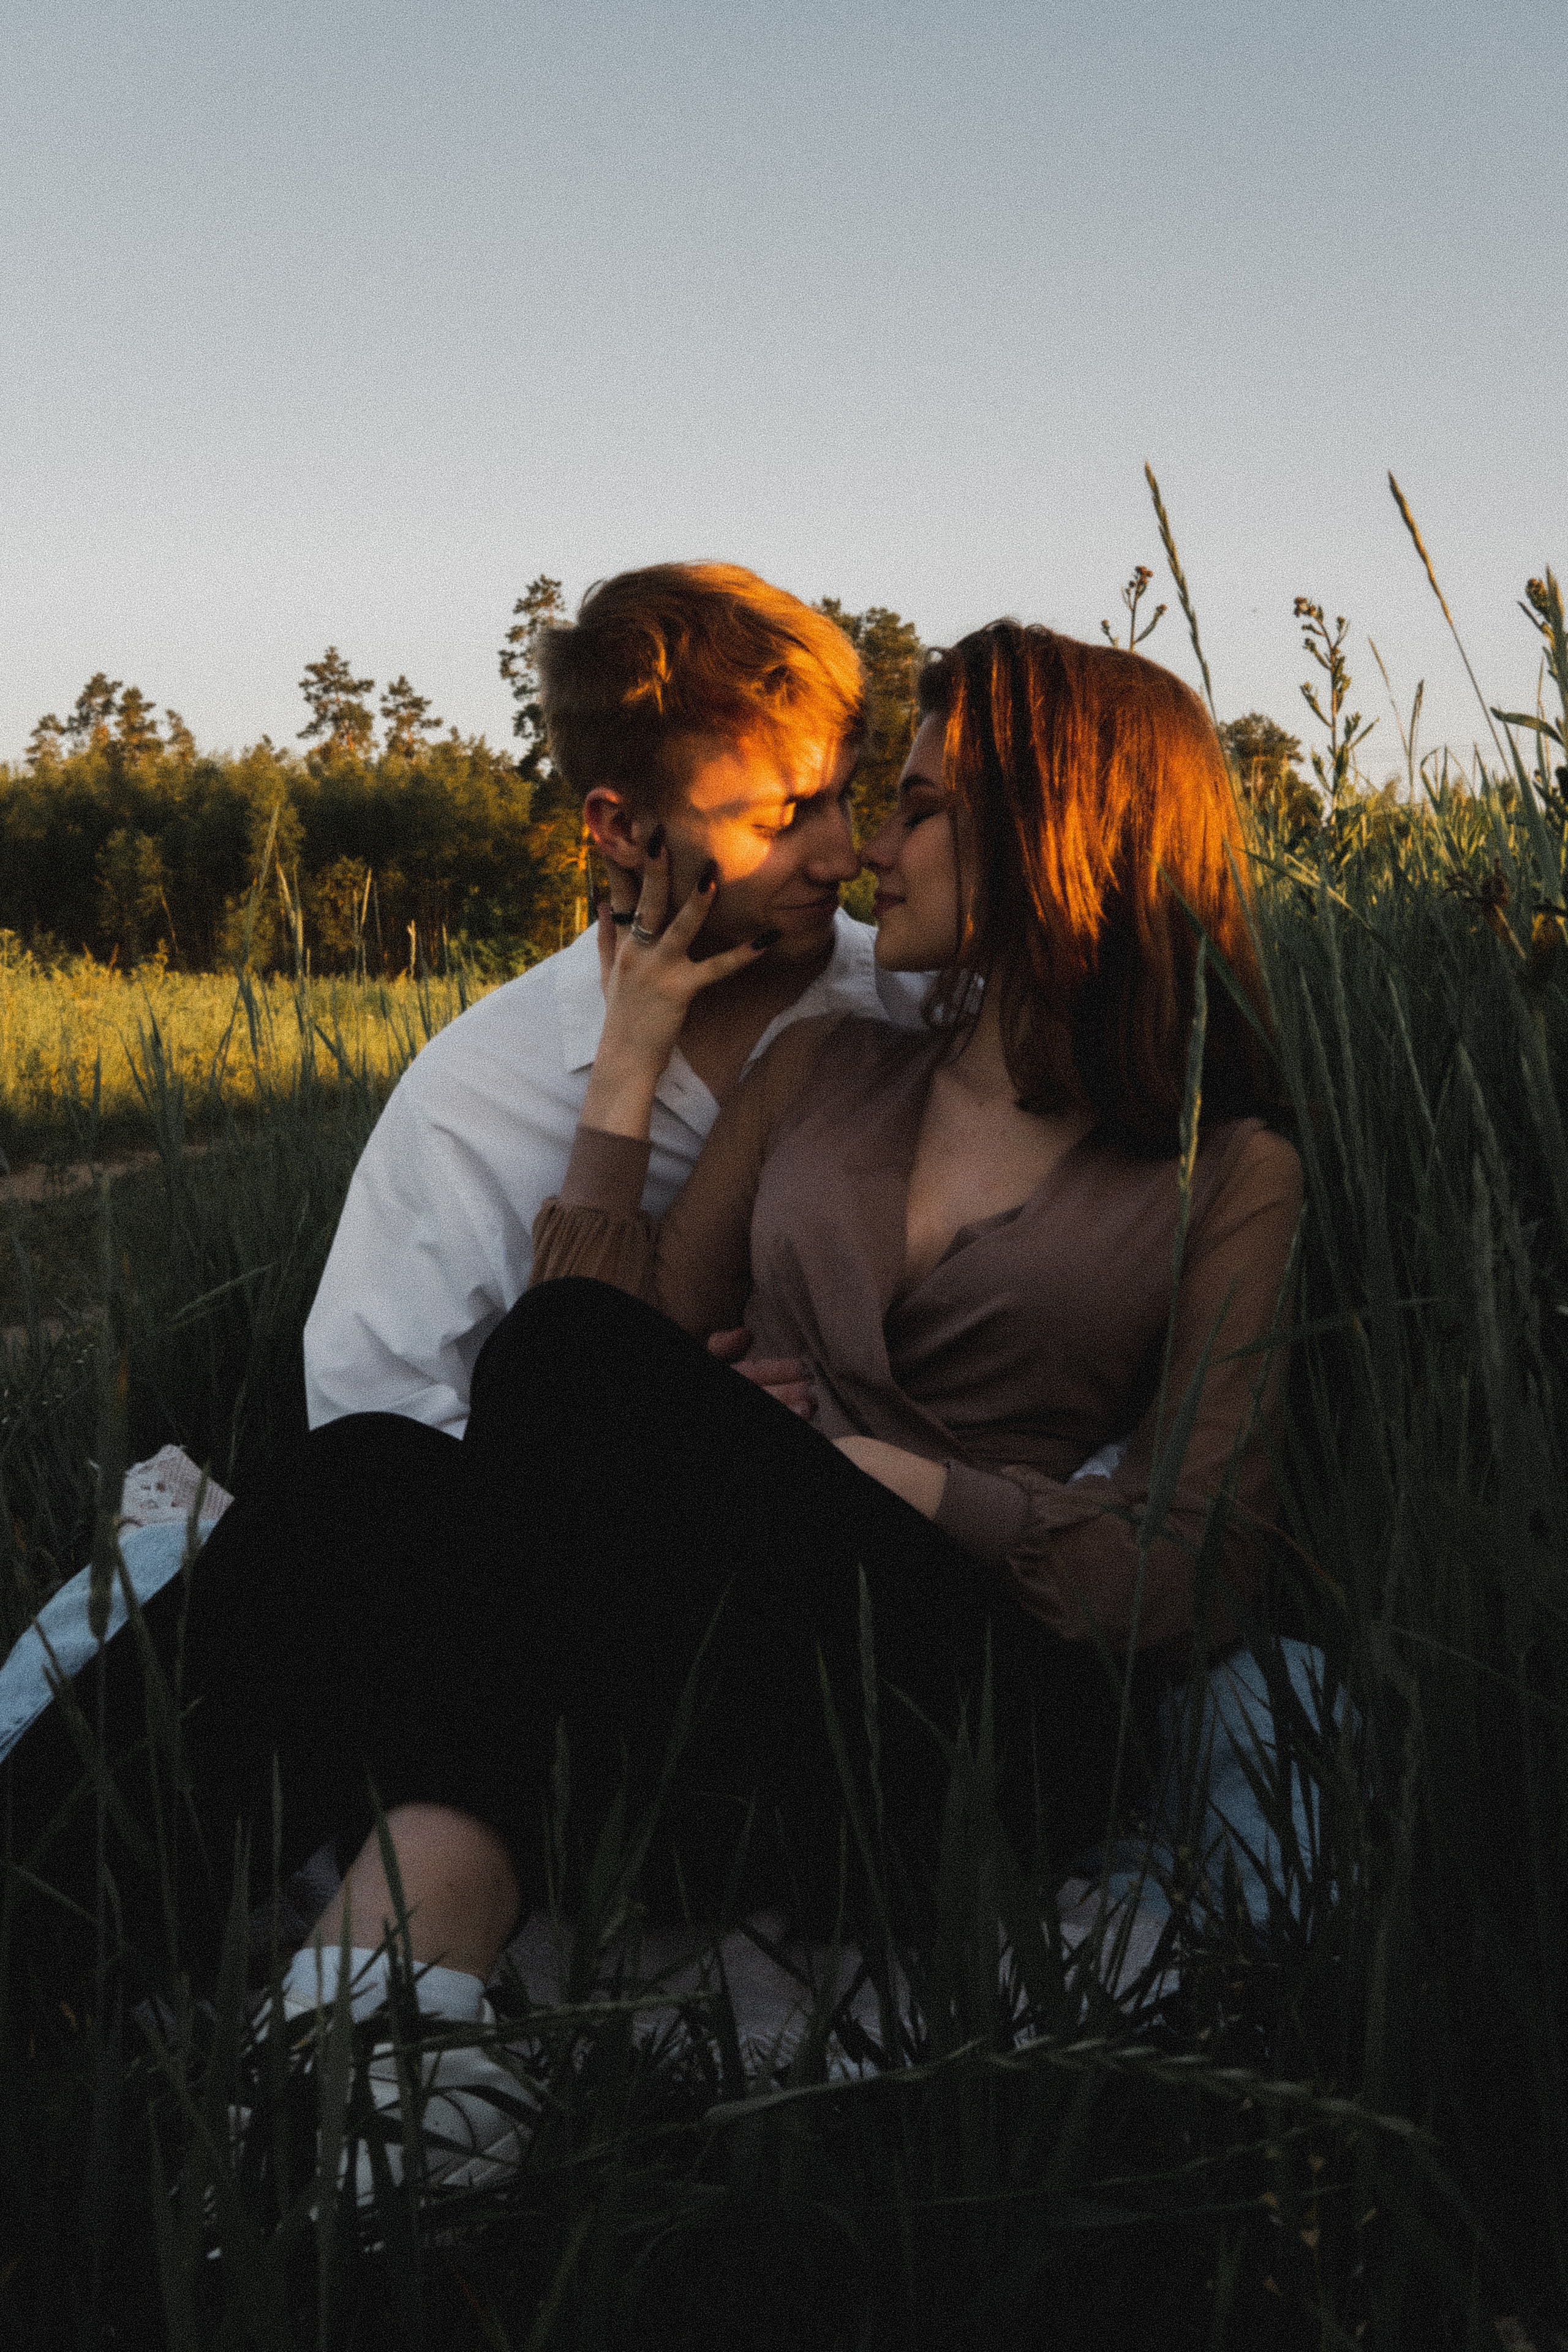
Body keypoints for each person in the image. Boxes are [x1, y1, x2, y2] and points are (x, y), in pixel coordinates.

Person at [3, 622, 1302, 2196]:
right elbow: (593, 1369)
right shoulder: (832, 1069)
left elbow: (1201, 1555)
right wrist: (624, 1071)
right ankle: (275, 2060)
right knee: (369, 1472)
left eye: (912, 804)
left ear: (1056, 826)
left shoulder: (1221, 1165)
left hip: (983, 1707)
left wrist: (908, 1485)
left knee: (473, 1443)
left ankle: (355, 2046)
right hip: (745, 1660)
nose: (867, 849)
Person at [303, 559, 929, 1439]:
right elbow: (366, 1410)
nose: (842, 856)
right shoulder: (478, 1092)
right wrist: (644, 1448)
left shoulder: (919, 1006)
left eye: (844, 799)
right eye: (780, 821)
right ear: (623, 829)